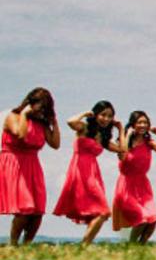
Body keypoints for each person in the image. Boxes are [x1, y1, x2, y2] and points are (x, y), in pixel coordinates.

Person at [53, 101, 124, 243]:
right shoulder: (84, 128)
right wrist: (85, 114)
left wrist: (120, 129)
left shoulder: (103, 136)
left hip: (93, 173)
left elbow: (123, 151)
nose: (106, 119)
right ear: (96, 114)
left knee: (100, 213)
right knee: (104, 212)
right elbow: (70, 122)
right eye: (103, 115)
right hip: (80, 171)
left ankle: (85, 245)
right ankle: (84, 245)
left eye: (110, 116)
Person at [1, 88, 61, 244]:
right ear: (30, 103)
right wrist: (24, 114)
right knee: (24, 208)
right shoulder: (13, 117)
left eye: (46, 108)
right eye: (41, 106)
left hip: (33, 165)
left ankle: (27, 244)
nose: (43, 110)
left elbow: (55, 144)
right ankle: (13, 243)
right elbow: (20, 134)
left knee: (37, 211)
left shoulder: (41, 124)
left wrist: (53, 122)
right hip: (14, 163)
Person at [113, 111, 156, 243]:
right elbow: (123, 156)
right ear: (133, 124)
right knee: (142, 218)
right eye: (140, 122)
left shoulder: (148, 142)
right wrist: (127, 135)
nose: (143, 125)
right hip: (127, 185)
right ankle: (131, 246)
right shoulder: (124, 141)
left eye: (145, 122)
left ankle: (141, 246)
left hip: (143, 186)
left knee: (153, 219)